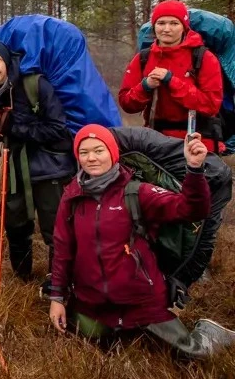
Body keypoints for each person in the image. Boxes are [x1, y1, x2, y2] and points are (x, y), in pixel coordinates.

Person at [49, 126, 235, 358]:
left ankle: (209, 332)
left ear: (113, 153)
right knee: (90, 346)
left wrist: (194, 170)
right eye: (84, 152)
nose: (92, 158)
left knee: (192, 355)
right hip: (92, 302)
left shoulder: (137, 192)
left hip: (141, 303)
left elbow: (191, 210)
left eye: (99, 150)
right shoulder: (72, 196)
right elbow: (62, 248)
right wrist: (57, 297)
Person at [0, 39, 75, 293]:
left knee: (55, 229)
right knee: (16, 225)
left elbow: (57, 128)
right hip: (14, 168)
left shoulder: (34, 85)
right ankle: (22, 280)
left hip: (49, 167)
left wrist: (15, 128)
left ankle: (59, 282)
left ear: (7, 62)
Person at [118, 0, 224, 152]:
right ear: (154, 26)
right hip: (155, 142)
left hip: (197, 143)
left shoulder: (203, 58)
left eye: (174, 23)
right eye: (161, 23)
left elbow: (210, 105)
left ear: (184, 27)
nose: (167, 29)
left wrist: (172, 81)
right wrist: (145, 86)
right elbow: (126, 103)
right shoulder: (143, 59)